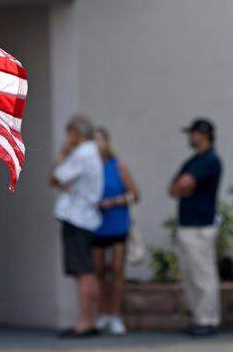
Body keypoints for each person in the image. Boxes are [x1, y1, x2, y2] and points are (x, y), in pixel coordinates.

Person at [49, 114, 105, 337]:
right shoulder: (92, 153)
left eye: (68, 131)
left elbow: (55, 177)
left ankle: (85, 322)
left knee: (83, 272)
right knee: (87, 271)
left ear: (76, 132)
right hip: (86, 217)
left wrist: (62, 154)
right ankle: (91, 320)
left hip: (77, 217)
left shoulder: (82, 153)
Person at [168, 118, 223, 337]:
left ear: (203, 134)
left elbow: (184, 184)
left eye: (193, 133)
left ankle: (208, 319)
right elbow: (173, 188)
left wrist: (184, 188)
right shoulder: (192, 161)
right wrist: (183, 188)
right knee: (189, 275)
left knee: (203, 275)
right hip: (187, 224)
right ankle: (197, 317)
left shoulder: (210, 160)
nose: (190, 137)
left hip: (201, 226)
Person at [92, 126, 140, 336]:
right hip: (96, 226)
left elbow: (135, 194)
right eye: (93, 141)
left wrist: (115, 202)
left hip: (118, 224)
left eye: (100, 140)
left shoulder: (117, 166)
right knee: (99, 271)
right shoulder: (89, 168)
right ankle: (102, 313)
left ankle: (115, 314)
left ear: (107, 142)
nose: (97, 145)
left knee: (118, 270)